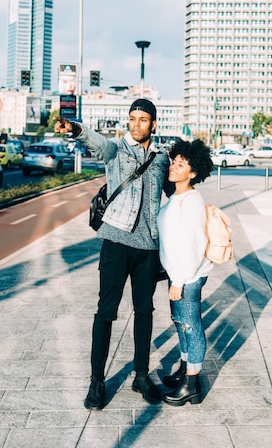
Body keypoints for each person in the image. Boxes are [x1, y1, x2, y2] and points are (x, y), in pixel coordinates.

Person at [54, 99, 173, 410]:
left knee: (145, 312)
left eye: (143, 119)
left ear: (153, 124)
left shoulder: (162, 159)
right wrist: (76, 129)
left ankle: (141, 375)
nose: (136, 124)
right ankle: (97, 381)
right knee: (106, 312)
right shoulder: (117, 150)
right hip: (116, 243)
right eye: (132, 118)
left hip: (148, 248)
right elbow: (97, 142)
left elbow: (178, 192)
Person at [157, 138, 214, 406]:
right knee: (180, 322)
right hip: (177, 273)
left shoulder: (191, 201)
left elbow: (193, 245)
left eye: (182, 165)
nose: (174, 167)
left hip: (188, 276)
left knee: (191, 326)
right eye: (174, 162)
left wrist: (178, 281)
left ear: (193, 172)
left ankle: (192, 384)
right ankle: (184, 369)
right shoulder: (175, 197)